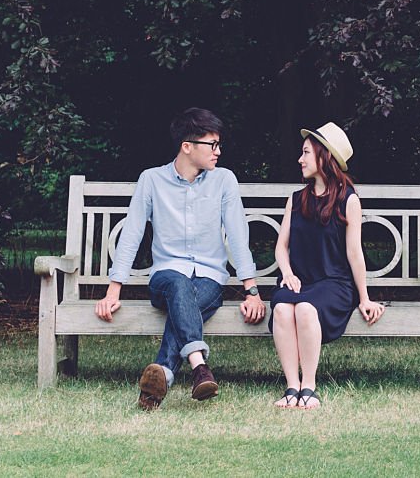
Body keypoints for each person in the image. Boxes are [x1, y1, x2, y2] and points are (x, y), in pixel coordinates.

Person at [94, 107, 267, 410]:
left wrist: (252, 290)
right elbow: (132, 233)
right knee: (178, 284)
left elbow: (238, 235)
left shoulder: (224, 180)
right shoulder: (151, 180)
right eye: (211, 145)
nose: (218, 151)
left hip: (209, 280)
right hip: (165, 278)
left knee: (186, 295)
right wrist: (113, 290)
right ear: (187, 147)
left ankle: (160, 379)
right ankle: (199, 365)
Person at [269, 122, 386, 409]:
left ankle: (309, 385)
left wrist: (365, 298)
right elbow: (280, 247)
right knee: (283, 308)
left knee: (307, 308)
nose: (300, 159)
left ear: (325, 157)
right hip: (300, 280)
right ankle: (291, 386)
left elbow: (354, 253)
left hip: (335, 284)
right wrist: (287, 273)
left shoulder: (349, 200)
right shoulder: (296, 199)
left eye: (306, 152)